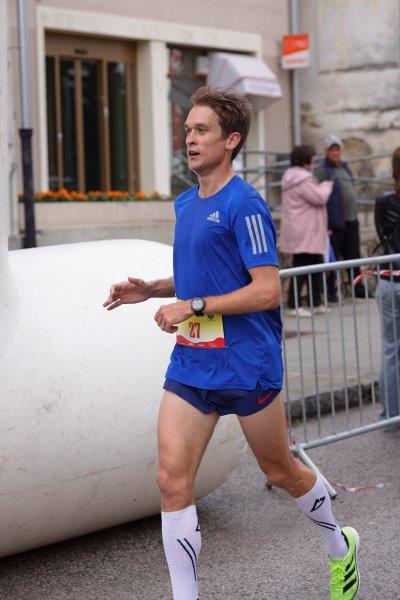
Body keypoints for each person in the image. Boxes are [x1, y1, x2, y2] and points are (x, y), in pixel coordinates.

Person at [103, 87, 360, 600]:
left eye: (202, 131)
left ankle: (340, 544)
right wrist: (152, 289)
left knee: (280, 470)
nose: (190, 139)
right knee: (171, 479)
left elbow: (267, 290)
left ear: (232, 140)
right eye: (188, 130)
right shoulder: (185, 203)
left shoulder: (245, 205)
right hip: (193, 363)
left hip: (246, 362)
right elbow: (201, 277)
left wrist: (193, 306)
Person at [280, 145, 333, 318]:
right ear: (305, 160)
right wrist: (327, 185)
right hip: (305, 230)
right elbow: (320, 197)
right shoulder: (303, 179)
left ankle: (315, 302)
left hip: (302, 229)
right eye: (312, 158)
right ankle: (293, 304)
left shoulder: (292, 176)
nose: (315, 161)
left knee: (314, 265)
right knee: (302, 267)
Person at [315, 134, 369, 302]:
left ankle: (358, 288)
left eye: (337, 148)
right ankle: (330, 291)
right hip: (334, 222)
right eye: (331, 149)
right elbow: (317, 194)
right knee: (333, 258)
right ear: (326, 151)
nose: (335, 152)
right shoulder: (322, 170)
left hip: (351, 219)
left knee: (354, 256)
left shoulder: (345, 167)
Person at [374, 147, 400, 430]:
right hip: (392, 278)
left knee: (391, 350)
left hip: (389, 278)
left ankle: (391, 417)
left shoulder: (383, 201)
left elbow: (383, 235)